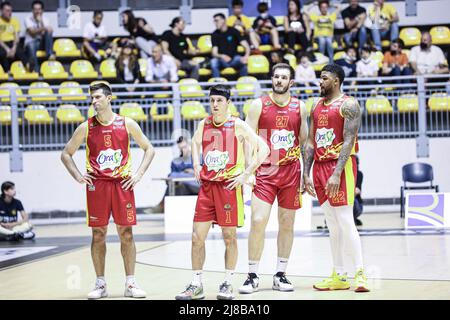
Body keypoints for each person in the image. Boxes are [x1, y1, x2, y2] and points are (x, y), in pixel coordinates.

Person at [61, 82, 155, 299]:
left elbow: (149, 149)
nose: (94, 102)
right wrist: (78, 176)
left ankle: (130, 283)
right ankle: (100, 283)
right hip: (98, 187)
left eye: (97, 97)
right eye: (92, 98)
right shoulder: (86, 127)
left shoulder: (127, 123)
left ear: (109, 98)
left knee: (126, 233)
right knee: (98, 234)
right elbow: (66, 154)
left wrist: (138, 174)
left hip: (122, 185)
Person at [175, 85, 270, 300]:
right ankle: (196, 283)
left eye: (219, 100)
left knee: (229, 237)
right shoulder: (204, 123)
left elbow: (264, 150)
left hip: (228, 188)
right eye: (212, 100)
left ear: (228, 102)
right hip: (207, 188)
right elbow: (195, 142)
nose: (215, 104)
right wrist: (197, 165)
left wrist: (246, 175)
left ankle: (227, 282)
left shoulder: (238, 125)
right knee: (196, 237)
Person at [239, 63, 308, 294]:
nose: (279, 80)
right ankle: (252, 275)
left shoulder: (300, 107)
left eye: (284, 77)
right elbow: (247, 140)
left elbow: (304, 142)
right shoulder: (258, 105)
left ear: (291, 83)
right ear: (272, 79)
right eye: (276, 77)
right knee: (258, 221)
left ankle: (280, 274)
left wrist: (305, 173)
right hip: (265, 172)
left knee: (287, 223)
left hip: (290, 173)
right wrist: (248, 172)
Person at [303, 63, 369, 292]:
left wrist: (337, 173)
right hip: (319, 167)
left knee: (344, 219)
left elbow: (349, 141)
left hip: (340, 167)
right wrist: (305, 172)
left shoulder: (349, 105)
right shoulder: (315, 106)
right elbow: (311, 141)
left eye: (323, 78)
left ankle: (360, 273)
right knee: (331, 222)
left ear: (336, 81)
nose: (320, 82)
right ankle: (339, 274)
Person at [210, 13, 250, 78]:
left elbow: (246, 46)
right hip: (222, 60)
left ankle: (243, 83)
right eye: (214, 21)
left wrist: (246, 56)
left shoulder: (234, 31)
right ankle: (217, 85)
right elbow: (214, 53)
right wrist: (222, 56)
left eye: (216, 20)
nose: (215, 23)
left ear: (223, 20)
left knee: (242, 61)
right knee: (213, 62)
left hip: (234, 59)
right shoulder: (215, 34)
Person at [24, 0, 55, 72]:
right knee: (31, 45)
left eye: (39, 9)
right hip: (31, 42)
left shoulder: (45, 19)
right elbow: (32, 32)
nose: (37, 11)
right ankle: (36, 71)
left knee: (49, 30)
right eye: (35, 9)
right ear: (32, 10)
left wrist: (41, 22)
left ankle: (49, 54)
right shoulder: (27, 19)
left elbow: (46, 33)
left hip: (42, 43)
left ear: (42, 10)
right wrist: (44, 28)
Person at [0, 1, 27, 72]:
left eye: (11, 11)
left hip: (12, 42)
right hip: (2, 43)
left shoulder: (15, 20)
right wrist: (7, 49)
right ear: (2, 11)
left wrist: (14, 48)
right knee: (2, 53)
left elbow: (17, 37)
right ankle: (7, 71)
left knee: (20, 51)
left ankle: (28, 65)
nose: (10, 13)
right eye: (7, 11)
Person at [353, 156, 363, 226]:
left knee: (352, 200)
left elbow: (357, 191)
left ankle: (352, 218)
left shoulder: (359, 174)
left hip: (357, 204)